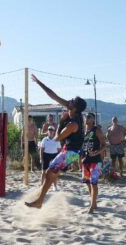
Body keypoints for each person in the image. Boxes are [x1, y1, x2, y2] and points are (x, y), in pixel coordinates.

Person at [25, 74, 86, 208]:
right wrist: (39, 82)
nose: (68, 101)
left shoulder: (73, 124)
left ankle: (40, 201)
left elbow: (57, 138)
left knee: (49, 172)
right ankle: (40, 199)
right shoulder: (73, 109)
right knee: (50, 173)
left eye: (71, 101)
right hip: (68, 149)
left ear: (74, 108)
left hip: (72, 152)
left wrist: (62, 121)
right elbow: (53, 95)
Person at [81, 113, 106, 213]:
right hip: (85, 161)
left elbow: (104, 145)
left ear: (93, 120)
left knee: (93, 182)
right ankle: (94, 202)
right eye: (85, 117)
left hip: (96, 160)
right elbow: (82, 147)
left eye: (88, 117)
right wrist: (80, 159)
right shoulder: (84, 132)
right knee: (87, 182)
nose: (86, 118)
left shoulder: (97, 130)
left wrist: (97, 152)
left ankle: (92, 206)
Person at [40, 125, 61, 191]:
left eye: (52, 130)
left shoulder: (57, 139)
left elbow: (59, 150)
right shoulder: (44, 139)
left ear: (54, 131)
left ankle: (54, 186)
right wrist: (41, 158)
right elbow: (41, 149)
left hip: (54, 156)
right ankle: (41, 185)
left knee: (54, 173)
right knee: (43, 172)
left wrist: (58, 159)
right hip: (46, 156)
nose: (50, 131)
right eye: (49, 130)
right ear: (48, 131)